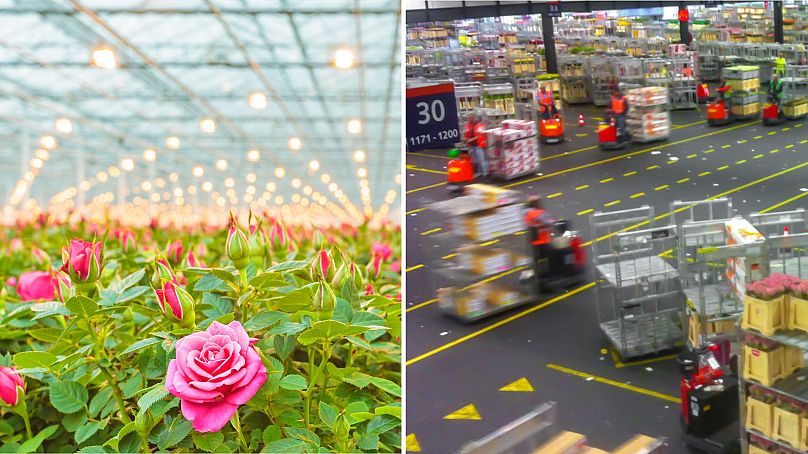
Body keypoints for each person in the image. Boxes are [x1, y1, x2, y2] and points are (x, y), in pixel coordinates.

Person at [463, 113, 489, 178]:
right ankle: (479, 173)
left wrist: (470, 140)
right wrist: (467, 140)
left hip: (479, 146)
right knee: (475, 161)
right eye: (469, 118)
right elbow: (465, 134)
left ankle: (486, 174)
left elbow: (479, 135)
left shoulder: (479, 126)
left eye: (471, 118)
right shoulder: (467, 125)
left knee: (482, 160)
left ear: (474, 118)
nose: (469, 119)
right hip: (471, 146)